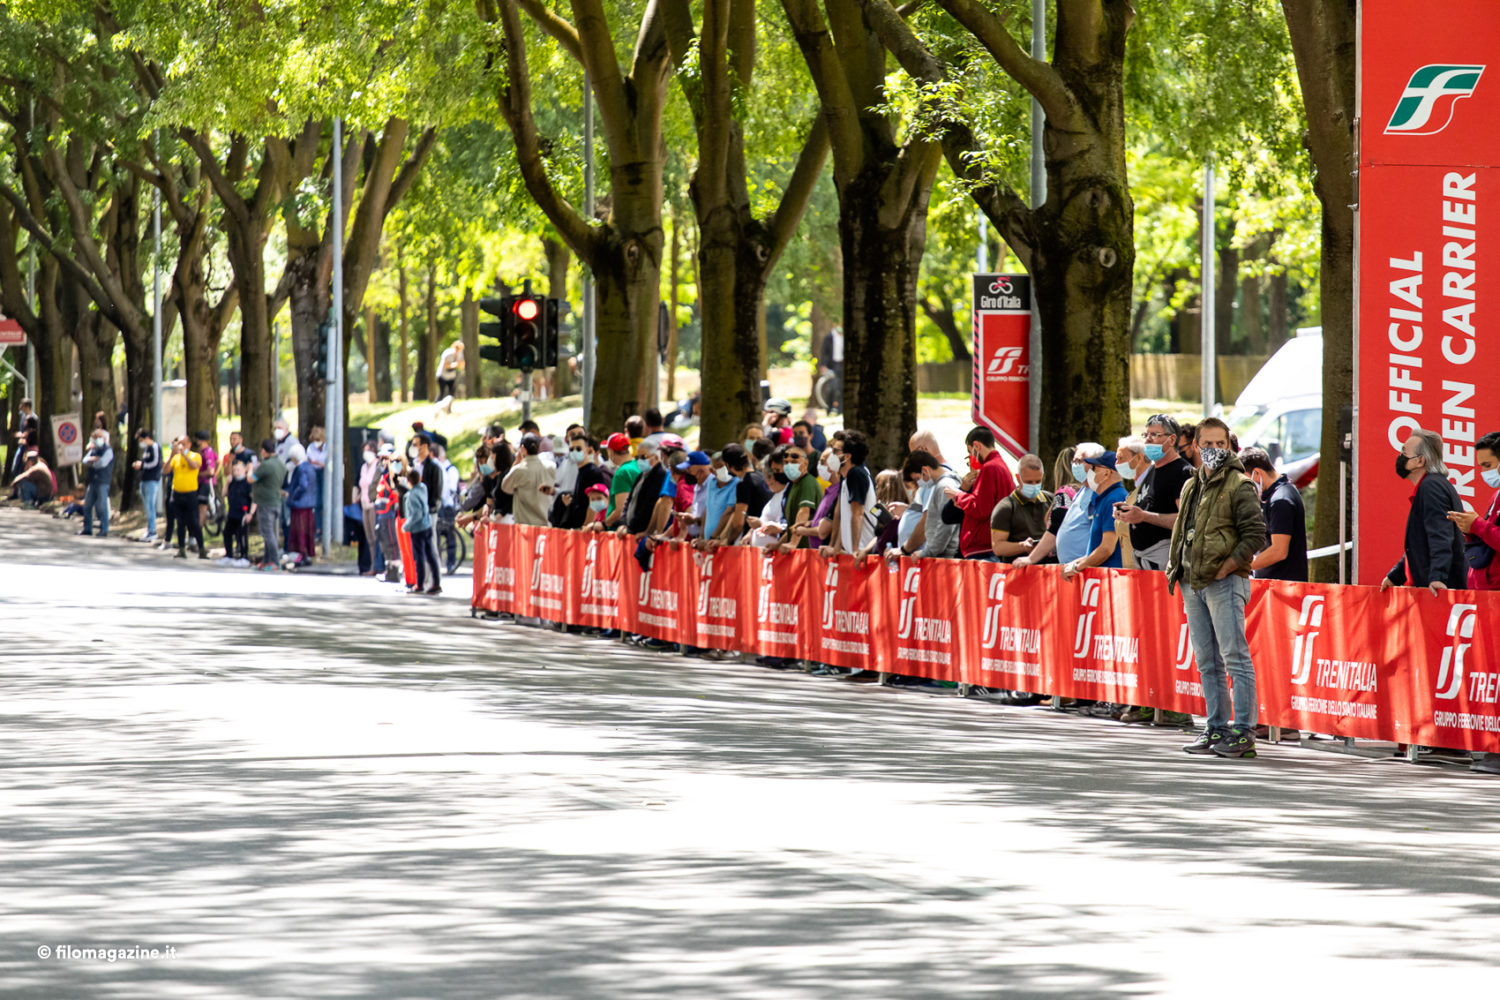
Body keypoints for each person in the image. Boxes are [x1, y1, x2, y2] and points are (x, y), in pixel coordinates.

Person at [1167, 417, 1267, 759]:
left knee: (1235, 657)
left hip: (1225, 581)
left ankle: (1244, 731)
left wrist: (1226, 567)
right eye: (1207, 444)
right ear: (1196, 445)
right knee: (1207, 661)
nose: (1213, 450)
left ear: (1229, 445)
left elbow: (1256, 535)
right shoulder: (1191, 485)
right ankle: (1216, 727)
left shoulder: (1240, 484)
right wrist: (1177, 570)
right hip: (1192, 582)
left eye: (1220, 444)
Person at [1382, 427, 1466, 595]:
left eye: (1404, 452)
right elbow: (1419, 545)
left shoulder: (1431, 487)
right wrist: (1395, 576)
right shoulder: (1432, 486)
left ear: (1420, 461)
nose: (1400, 456)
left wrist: (1438, 577)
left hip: (1440, 591)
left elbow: (1440, 535)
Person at [1115, 415, 1194, 572]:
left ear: (1172, 440)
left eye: (1154, 435)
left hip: (1165, 563)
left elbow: (1187, 520)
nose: (1148, 440)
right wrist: (1127, 513)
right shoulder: (1152, 470)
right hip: (1144, 563)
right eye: (1146, 434)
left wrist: (1144, 516)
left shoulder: (1182, 472)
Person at [945, 426, 1018, 560]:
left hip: (983, 547)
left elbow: (980, 508)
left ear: (977, 446)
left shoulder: (989, 468)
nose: (971, 457)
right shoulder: (1002, 466)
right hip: (993, 543)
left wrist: (958, 495)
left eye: (970, 452)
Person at [1238, 447, 1309, 581]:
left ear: (1257, 473)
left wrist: (1240, 567)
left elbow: (1279, 551)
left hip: (1283, 586)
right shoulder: (1280, 493)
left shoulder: (1280, 500)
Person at [1061, 451, 1126, 579]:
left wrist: (1076, 568)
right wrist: (1076, 563)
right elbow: (1095, 548)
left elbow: (1107, 548)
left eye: (1093, 468)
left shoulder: (1115, 498)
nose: (1088, 472)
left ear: (1107, 473)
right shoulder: (1103, 498)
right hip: (1101, 577)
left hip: (1111, 579)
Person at [1451, 430, 1500, 593]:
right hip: (1483, 591)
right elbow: (1489, 538)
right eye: (1482, 466)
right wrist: (1469, 529)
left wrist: (1477, 525)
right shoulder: (1496, 495)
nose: (1484, 473)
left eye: (1488, 465)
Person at [991, 454, 1051, 563]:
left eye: (1038, 481)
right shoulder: (1006, 507)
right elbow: (998, 547)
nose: (1034, 485)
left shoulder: (1052, 500)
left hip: (1050, 567)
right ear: (1018, 478)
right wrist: (1023, 546)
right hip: (1019, 568)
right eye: (1029, 482)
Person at [826, 430, 876, 557]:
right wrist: (836, 547)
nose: (832, 455)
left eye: (836, 451)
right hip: (855, 552)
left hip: (863, 552)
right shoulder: (846, 478)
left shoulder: (856, 474)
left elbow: (857, 514)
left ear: (847, 456)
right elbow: (845, 515)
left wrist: (855, 549)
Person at [401, 467, 442, 595]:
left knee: (419, 557)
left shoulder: (411, 496)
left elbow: (416, 514)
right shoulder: (423, 488)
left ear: (408, 481)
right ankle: (436, 582)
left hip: (417, 529)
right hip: (427, 525)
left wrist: (406, 526)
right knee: (430, 555)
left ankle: (419, 584)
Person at [502, 433, 557, 526]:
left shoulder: (518, 470)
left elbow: (505, 487)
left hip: (525, 524)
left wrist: (516, 463)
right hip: (546, 523)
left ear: (522, 448)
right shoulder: (551, 467)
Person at [165, 435, 204, 557]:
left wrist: (184, 455)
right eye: (179, 444)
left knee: (193, 522)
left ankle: (201, 548)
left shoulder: (195, 456)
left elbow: (194, 466)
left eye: (183, 443)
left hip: (190, 494)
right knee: (180, 522)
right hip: (177, 494)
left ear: (189, 444)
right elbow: (165, 470)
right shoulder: (175, 458)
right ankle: (181, 549)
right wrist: (171, 455)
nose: (181, 446)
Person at [285, 444, 318, 564]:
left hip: (299, 505)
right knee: (307, 531)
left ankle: (301, 555)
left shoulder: (300, 469)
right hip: (308, 504)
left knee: (299, 532)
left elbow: (302, 485)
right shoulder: (310, 467)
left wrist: (293, 495)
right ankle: (307, 554)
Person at [79, 427, 114, 538]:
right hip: (92, 481)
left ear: (104, 438)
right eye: (95, 437)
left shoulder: (108, 450)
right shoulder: (94, 450)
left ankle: (104, 529)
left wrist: (93, 463)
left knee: (102, 506)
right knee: (87, 505)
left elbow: (102, 463)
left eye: (99, 437)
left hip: (103, 481)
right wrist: (94, 459)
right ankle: (87, 528)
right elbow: (84, 460)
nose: (97, 439)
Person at [602, 433, 640, 529]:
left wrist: (604, 524)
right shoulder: (637, 465)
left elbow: (620, 510)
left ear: (611, 451)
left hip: (619, 531)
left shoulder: (622, 473)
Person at [434, 443, 462, 574]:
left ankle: (451, 562)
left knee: (450, 534)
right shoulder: (439, 468)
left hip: (448, 506)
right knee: (439, 533)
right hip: (441, 505)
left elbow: (451, 489)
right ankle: (440, 561)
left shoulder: (450, 470)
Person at [358, 441, 383, 577]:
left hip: (374, 505)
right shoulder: (363, 467)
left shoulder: (378, 466)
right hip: (364, 504)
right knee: (369, 538)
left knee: (375, 536)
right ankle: (373, 565)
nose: (366, 453)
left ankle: (378, 565)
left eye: (368, 450)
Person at [133, 428, 162, 541]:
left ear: (146, 438)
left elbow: (155, 463)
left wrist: (142, 465)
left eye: (141, 440)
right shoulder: (146, 449)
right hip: (144, 479)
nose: (141, 442)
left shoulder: (155, 447)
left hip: (152, 480)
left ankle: (153, 531)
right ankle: (149, 529)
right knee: (147, 507)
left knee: (150, 505)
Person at [222, 461, 253, 565]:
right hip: (232, 512)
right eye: (234, 470)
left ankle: (244, 557)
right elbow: (224, 494)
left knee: (242, 535)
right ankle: (229, 555)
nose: (236, 472)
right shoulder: (232, 483)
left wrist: (250, 513)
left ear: (244, 471)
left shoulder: (247, 483)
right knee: (227, 533)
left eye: (238, 470)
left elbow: (253, 498)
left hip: (243, 513)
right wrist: (227, 483)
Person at [9, 397, 38, 480]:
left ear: (27, 406)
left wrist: (22, 436)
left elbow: (32, 432)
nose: (20, 406)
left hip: (28, 446)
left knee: (23, 465)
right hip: (22, 445)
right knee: (16, 465)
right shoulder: (23, 416)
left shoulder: (33, 418)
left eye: (22, 405)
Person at [307, 425, 327, 537]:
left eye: (318, 440)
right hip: (314, 474)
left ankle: (327, 529)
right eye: (314, 440)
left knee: (325, 501)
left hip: (324, 474)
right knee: (316, 502)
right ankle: (317, 529)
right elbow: (308, 461)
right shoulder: (310, 448)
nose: (316, 442)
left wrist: (320, 464)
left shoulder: (328, 448)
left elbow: (330, 464)